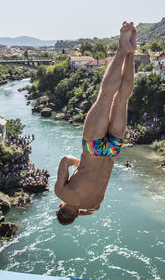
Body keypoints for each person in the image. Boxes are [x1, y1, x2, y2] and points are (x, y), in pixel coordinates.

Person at [54, 21, 136, 225]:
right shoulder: (61, 193)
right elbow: (65, 160)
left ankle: (131, 54)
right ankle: (121, 50)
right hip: (93, 149)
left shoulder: (93, 205)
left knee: (121, 100)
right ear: (60, 207)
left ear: (75, 214)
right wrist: (78, 163)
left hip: (111, 151)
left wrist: (80, 212)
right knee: (105, 98)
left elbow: (87, 211)